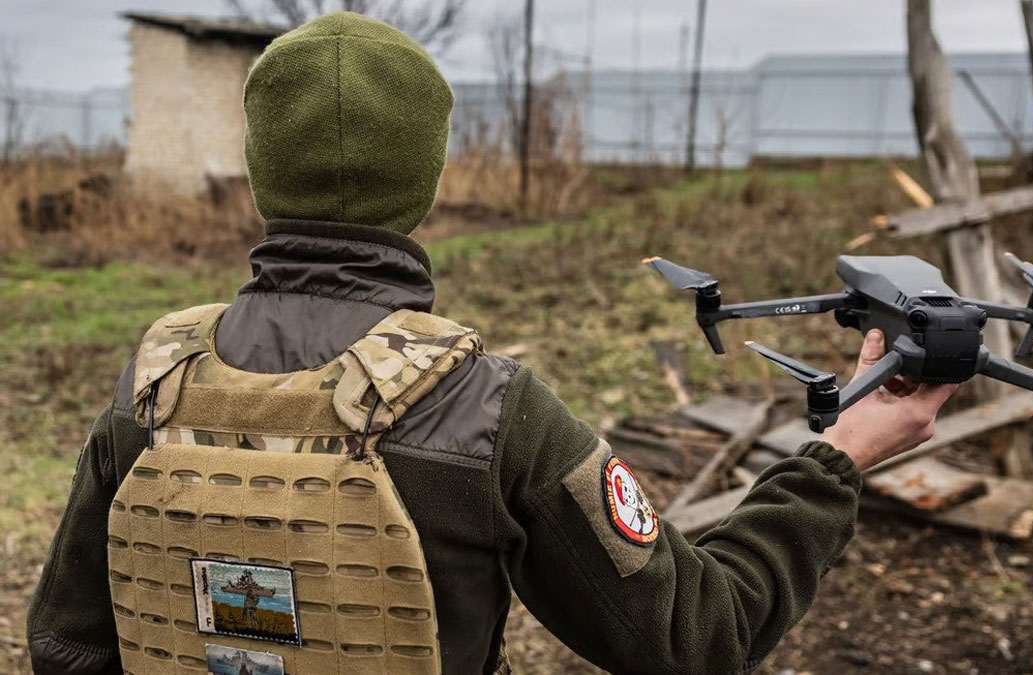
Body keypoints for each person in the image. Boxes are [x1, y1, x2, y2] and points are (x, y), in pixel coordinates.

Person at [26, 11, 957, 675]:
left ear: (262, 168)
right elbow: (698, 635)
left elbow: (67, 647)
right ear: (425, 178)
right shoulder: (489, 409)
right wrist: (840, 455)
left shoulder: (152, 386)